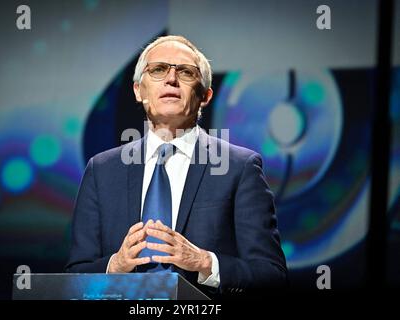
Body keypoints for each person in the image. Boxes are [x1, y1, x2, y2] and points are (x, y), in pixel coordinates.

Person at [65, 35, 287, 297]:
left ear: (205, 95)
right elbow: (74, 278)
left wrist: (205, 263)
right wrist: (115, 266)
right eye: (158, 70)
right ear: (138, 90)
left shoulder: (240, 168)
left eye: (185, 72)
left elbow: (271, 276)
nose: (171, 79)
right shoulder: (101, 171)